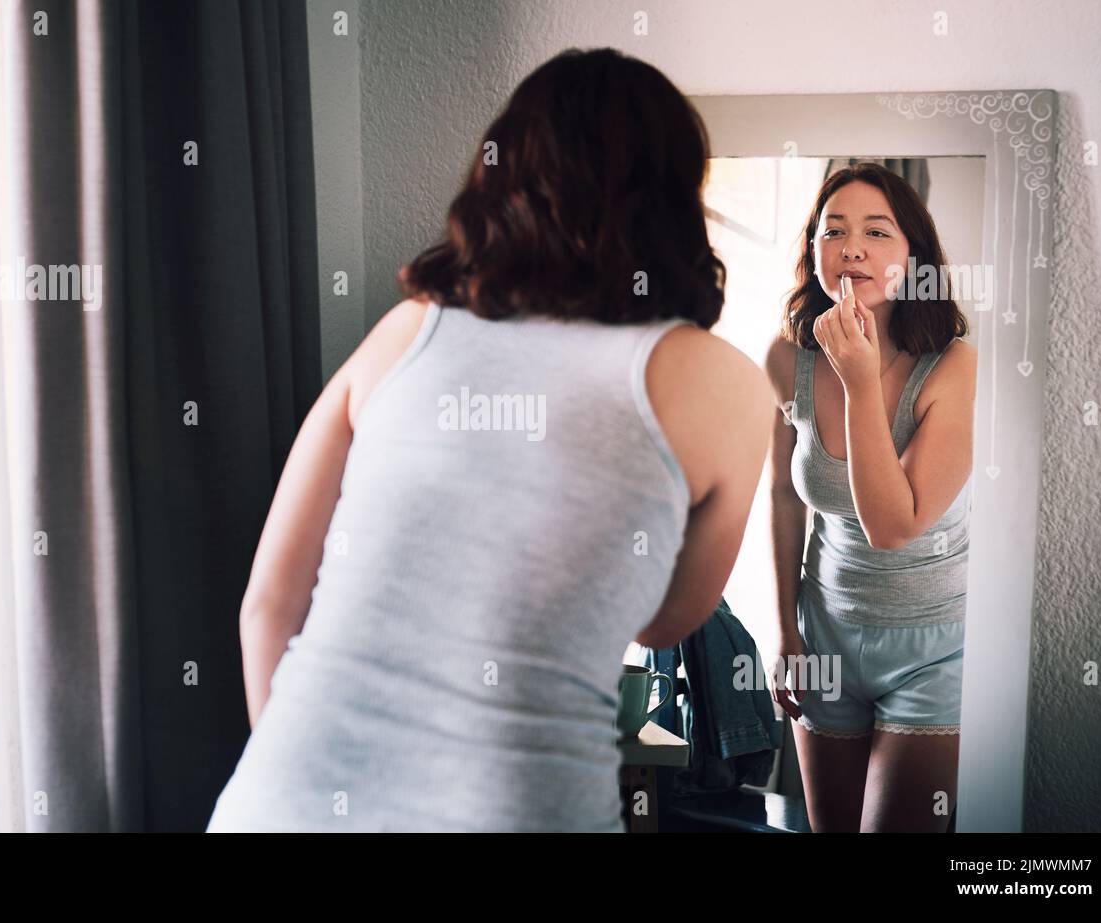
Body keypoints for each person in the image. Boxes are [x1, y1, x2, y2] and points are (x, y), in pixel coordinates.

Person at [206, 47, 772, 832]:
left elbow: (268, 606)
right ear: (677, 197)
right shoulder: (726, 385)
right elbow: (662, 621)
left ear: (499, 178)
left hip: (280, 797)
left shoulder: (404, 335)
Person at [766, 162, 977, 832]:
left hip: (932, 648)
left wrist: (858, 380)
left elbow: (894, 524)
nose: (852, 246)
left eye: (876, 231)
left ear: (914, 256)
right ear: (814, 253)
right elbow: (782, 497)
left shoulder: (954, 362)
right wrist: (788, 632)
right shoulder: (786, 358)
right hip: (825, 632)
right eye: (834, 231)